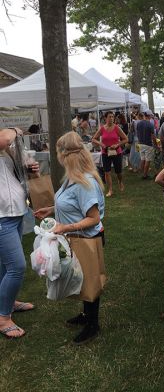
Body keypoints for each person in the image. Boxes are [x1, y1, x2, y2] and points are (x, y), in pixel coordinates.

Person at [34, 131, 105, 345]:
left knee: (89, 280)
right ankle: (86, 316)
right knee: (81, 278)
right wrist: (51, 209)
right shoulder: (72, 179)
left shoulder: (85, 182)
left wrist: (66, 226)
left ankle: (93, 325)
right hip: (75, 237)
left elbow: (93, 218)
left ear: (64, 155)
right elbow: (71, 204)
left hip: (85, 239)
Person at [0, 127, 38, 339]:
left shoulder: (5, 154)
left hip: (14, 214)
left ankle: (7, 301)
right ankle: (3, 317)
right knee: (17, 266)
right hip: (1, 218)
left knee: (5, 266)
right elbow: (5, 138)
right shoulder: (4, 140)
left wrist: (28, 168)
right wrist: (14, 129)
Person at [92, 111, 128, 197]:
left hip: (117, 153)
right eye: (109, 117)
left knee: (118, 172)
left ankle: (120, 181)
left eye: (112, 117)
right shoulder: (102, 128)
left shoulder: (117, 128)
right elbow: (94, 139)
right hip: (105, 153)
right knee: (107, 172)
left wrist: (117, 144)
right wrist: (101, 144)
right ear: (105, 118)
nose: (111, 118)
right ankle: (110, 190)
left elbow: (125, 139)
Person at [137, 109, 157, 179]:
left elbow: (138, 133)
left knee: (143, 159)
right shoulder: (150, 124)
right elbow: (153, 136)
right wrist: (156, 145)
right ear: (149, 116)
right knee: (147, 160)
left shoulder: (138, 123)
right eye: (151, 115)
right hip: (148, 144)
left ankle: (142, 172)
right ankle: (145, 175)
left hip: (140, 143)